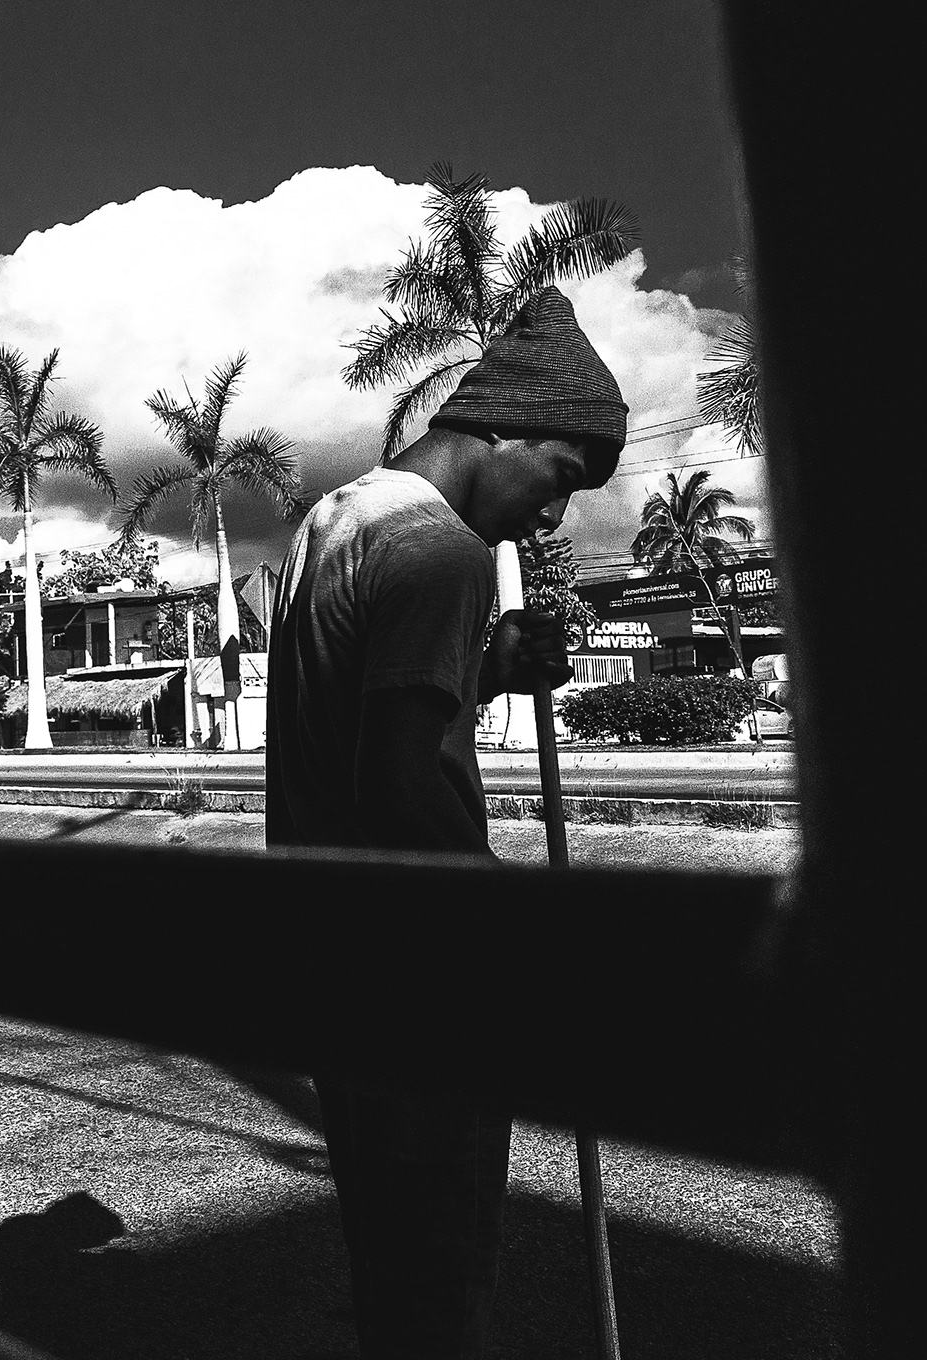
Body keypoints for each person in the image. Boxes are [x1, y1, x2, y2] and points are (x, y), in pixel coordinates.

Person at [266, 286, 627, 1357]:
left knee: (392, 1263)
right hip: (420, 973)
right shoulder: (444, 553)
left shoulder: (338, 517)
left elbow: (361, 718)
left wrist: (489, 672)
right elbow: (401, 784)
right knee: (446, 1269)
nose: (555, 515)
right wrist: (518, 935)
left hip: (336, 959)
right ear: (505, 428)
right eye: (562, 475)